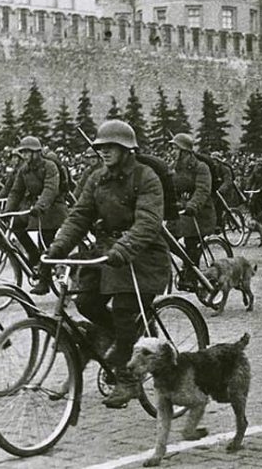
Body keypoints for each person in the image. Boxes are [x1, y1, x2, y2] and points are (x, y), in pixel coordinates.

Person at [45, 120, 171, 408]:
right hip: (106, 252)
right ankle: (121, 338)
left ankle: (128, 380)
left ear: (128, 150)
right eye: (101, 147)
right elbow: (79, 216)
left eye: (110, 147)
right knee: (86, 301)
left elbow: (148, 223)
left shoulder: (146, 177)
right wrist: (58, 245)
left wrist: (123, 248)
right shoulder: (97, 178)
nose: (104, 152)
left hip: (143, 255)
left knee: (126, 308)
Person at [4, 135, 69, 295]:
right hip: (36, 209)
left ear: (37, 152)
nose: (25, 156)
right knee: (17, 226)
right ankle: (33, 255)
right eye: (23, 152)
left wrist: (41, 205)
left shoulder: (50, 166)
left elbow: (50, 188)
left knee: (45, 241)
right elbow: (16, 191)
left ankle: (44, 282)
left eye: (28, 152)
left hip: (53, 208)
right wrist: (7, 211)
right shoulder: (24, 170)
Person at [167, 133, 216, 290]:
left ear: (185, 150)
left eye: (175, 148)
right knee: (166, 239)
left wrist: (193, 205)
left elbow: (203, 190)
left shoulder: (201, 167)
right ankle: (186, 263)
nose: (172, 151)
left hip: (199, 213)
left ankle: (191, 274)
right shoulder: (175, 168)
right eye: (172, 148)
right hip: (180, 211)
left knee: (191, 241)